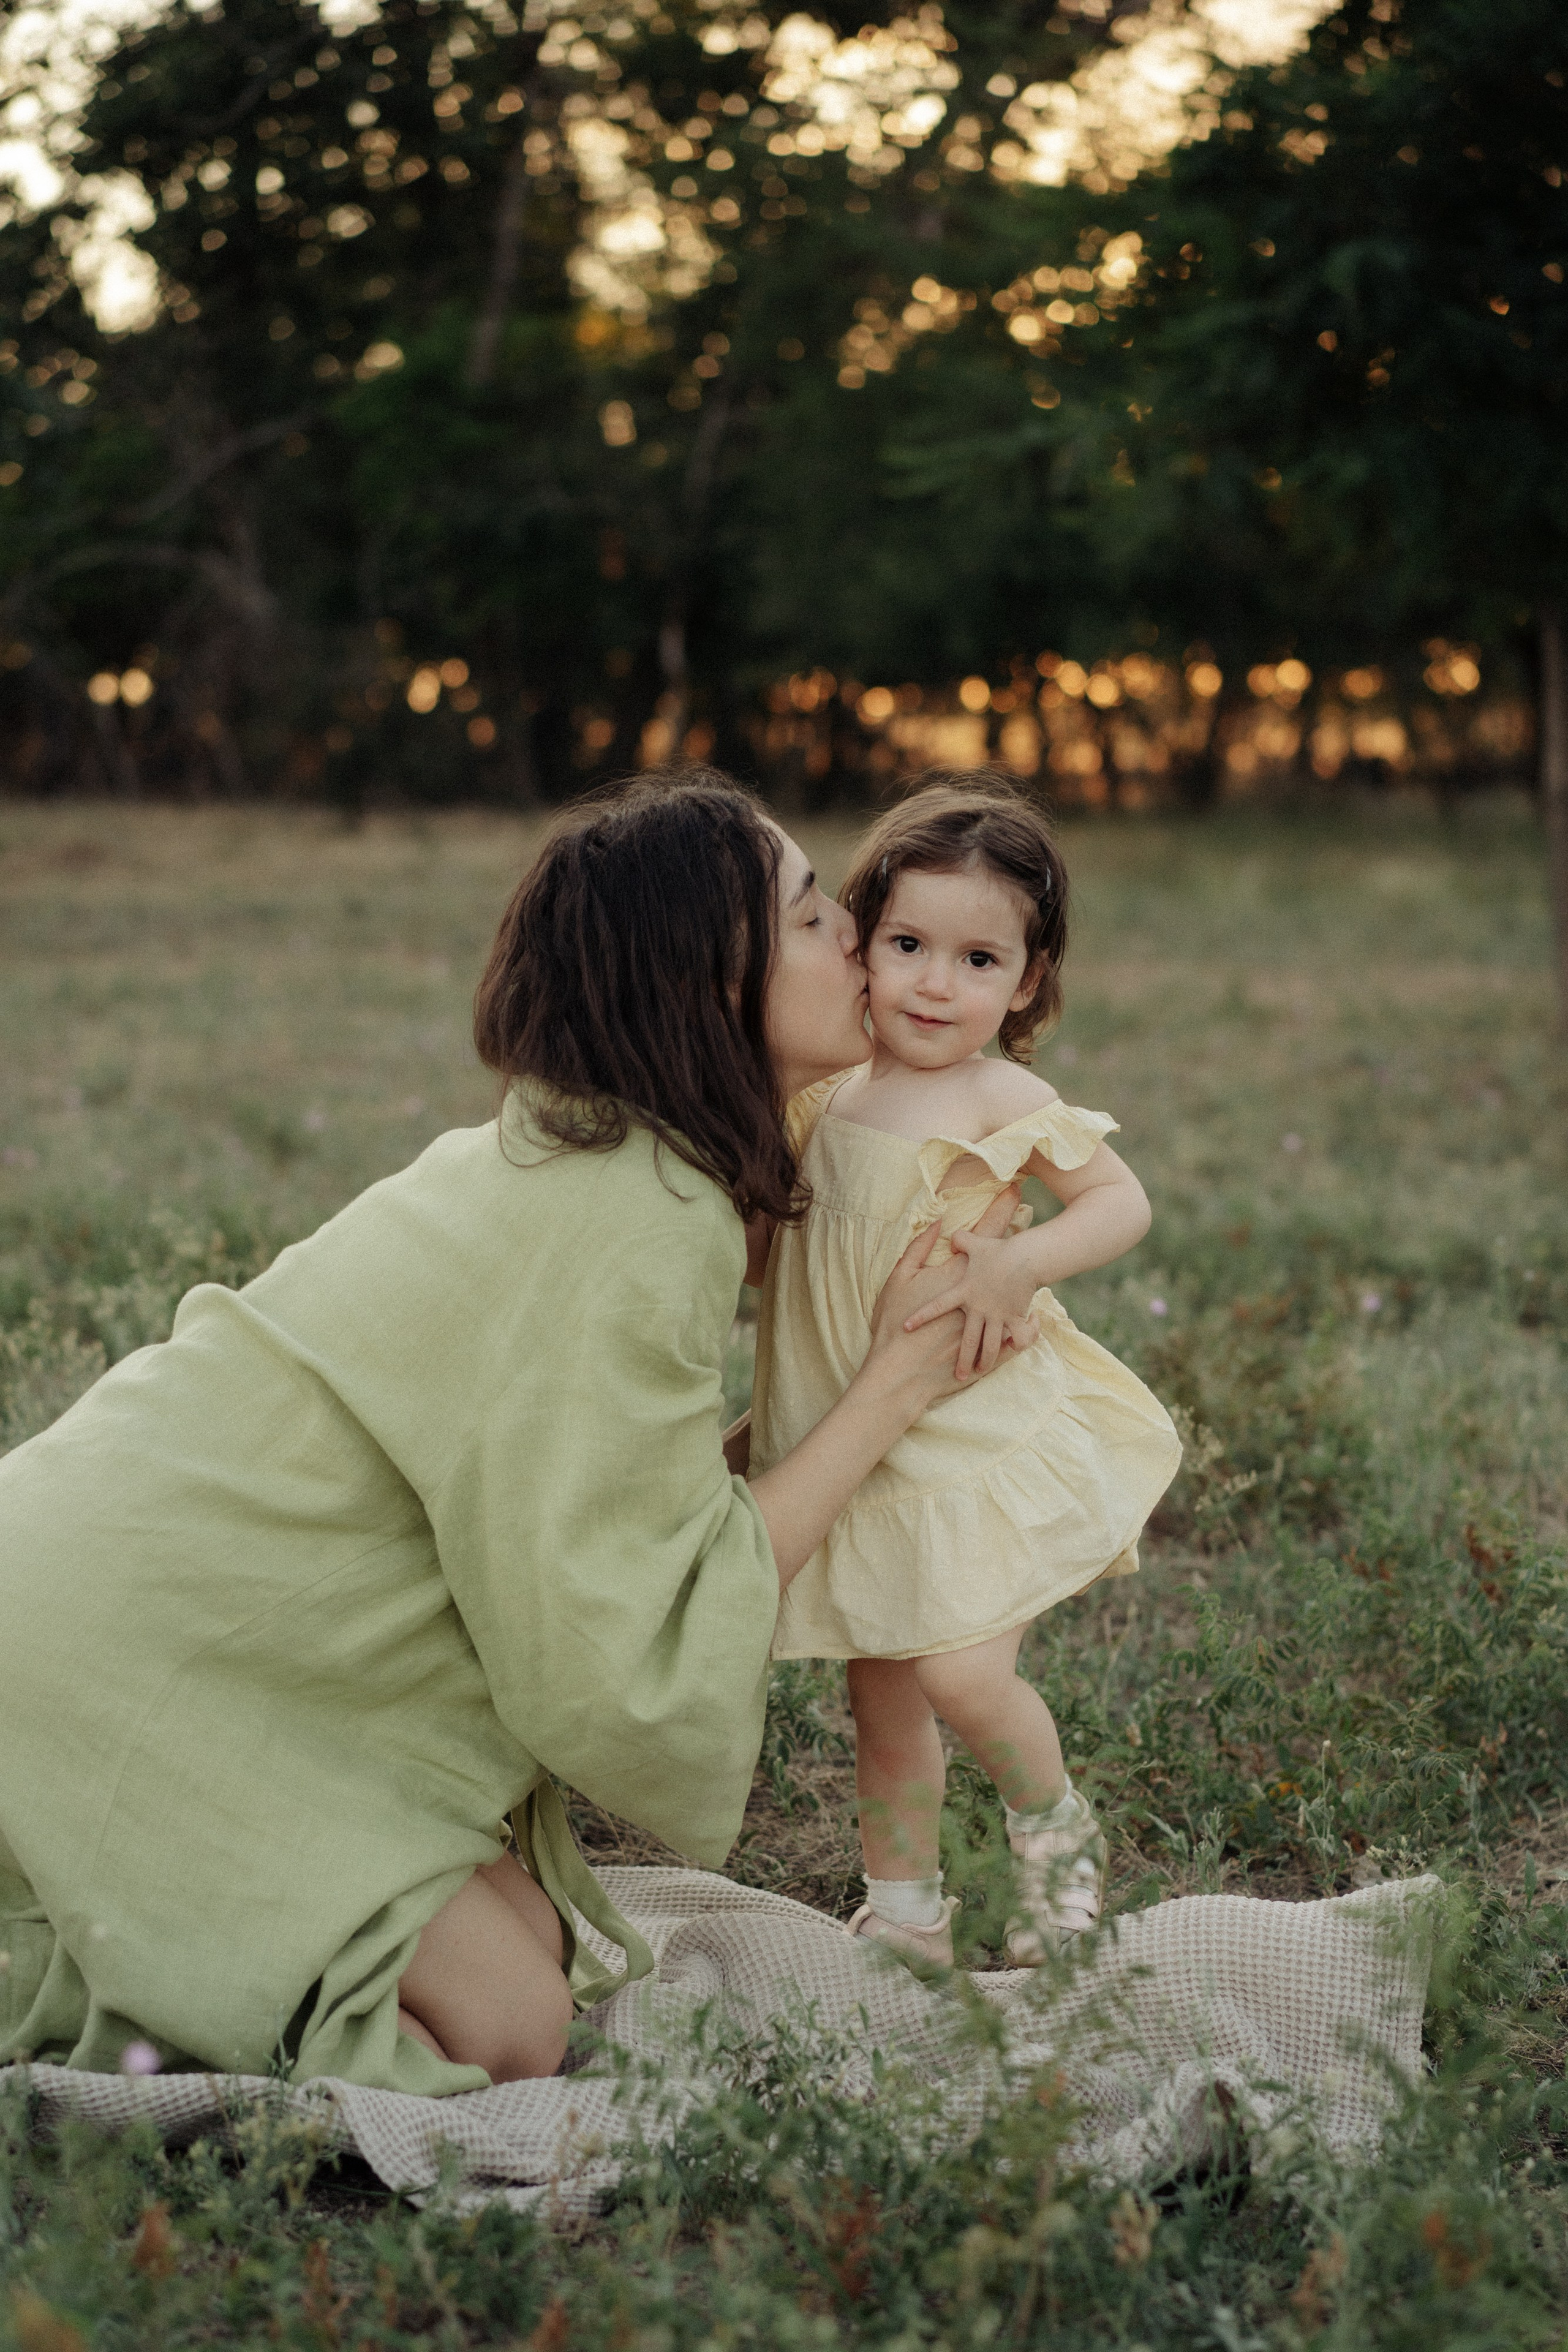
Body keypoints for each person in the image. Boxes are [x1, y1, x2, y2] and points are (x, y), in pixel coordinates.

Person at [0, 771, 1030, 2094]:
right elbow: (630, 1616)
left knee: (538, 1940)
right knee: (510, 2033)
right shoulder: (631, 1216)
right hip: (134, 1642)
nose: (854, 929)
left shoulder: (609, 1158)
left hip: (194, 1623)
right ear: (710, 979)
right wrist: (896, 1382)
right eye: (811, 909)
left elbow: (634, 1515)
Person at [750, 774, 1182, 1973]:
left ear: (1027, 981)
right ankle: (905, 1915)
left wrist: (1017, 1264)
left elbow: (1118, 1202)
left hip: (959, 1435)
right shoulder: (822, 1090)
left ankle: (1053, 1830)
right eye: (907, 945)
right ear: (857, 941)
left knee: (957, 1670)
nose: (937, 984)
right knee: (881, 1700)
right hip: (848, 1441)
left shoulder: (1001, 1095)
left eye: (978, 960)